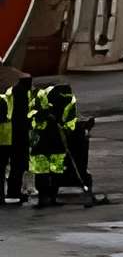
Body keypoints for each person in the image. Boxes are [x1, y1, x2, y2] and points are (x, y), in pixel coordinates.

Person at [28, 79, 76, 209]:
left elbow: (31, 117)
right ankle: (49, 197)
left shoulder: (41, 97)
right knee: (53, 170)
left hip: (45, 141)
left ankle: (45, 197)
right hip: (51, 140)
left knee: (46, 170)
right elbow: (70, 120)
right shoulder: (67, 100)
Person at [3, 73, 30, 204]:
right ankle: (14, 191)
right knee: (17, 164)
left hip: (7, 131)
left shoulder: (11, 92)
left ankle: (9, 192)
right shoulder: (23, 93)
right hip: (18, 133)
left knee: (8, 164)